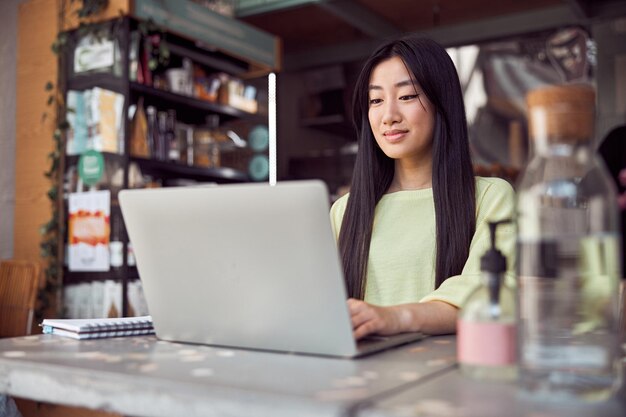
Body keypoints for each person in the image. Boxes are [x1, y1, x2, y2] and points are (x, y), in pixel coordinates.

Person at [330, 36, 516, 340]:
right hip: (360, 379)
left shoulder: (489, 198)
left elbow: (485, 295)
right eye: (375, 100)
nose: (388, 115)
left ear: (442, 101)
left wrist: (393, 317)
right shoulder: (344, 211)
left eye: (407, 96)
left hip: (447, 379)